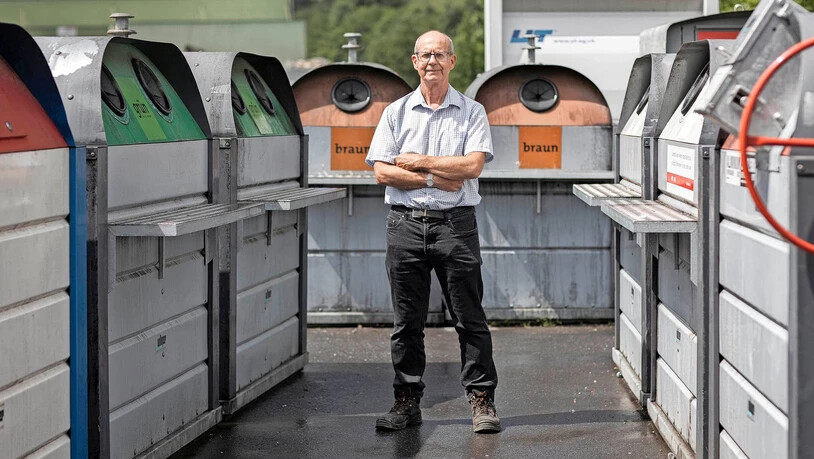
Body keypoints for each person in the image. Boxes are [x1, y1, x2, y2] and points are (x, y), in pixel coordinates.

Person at [365, 30, 500, 434]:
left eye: (439, 55)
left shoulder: (472, 112)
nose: (432, 62)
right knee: (407, 322)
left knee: (469, 318)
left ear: (452, 62)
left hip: (455, 226)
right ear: (414, 61)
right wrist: (432, 179)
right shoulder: (396, 113)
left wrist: (419, 162)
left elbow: (472, 167)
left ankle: (482, 402)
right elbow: (381, 171)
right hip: (405, 225)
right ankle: (406, 404)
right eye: (425, 55)